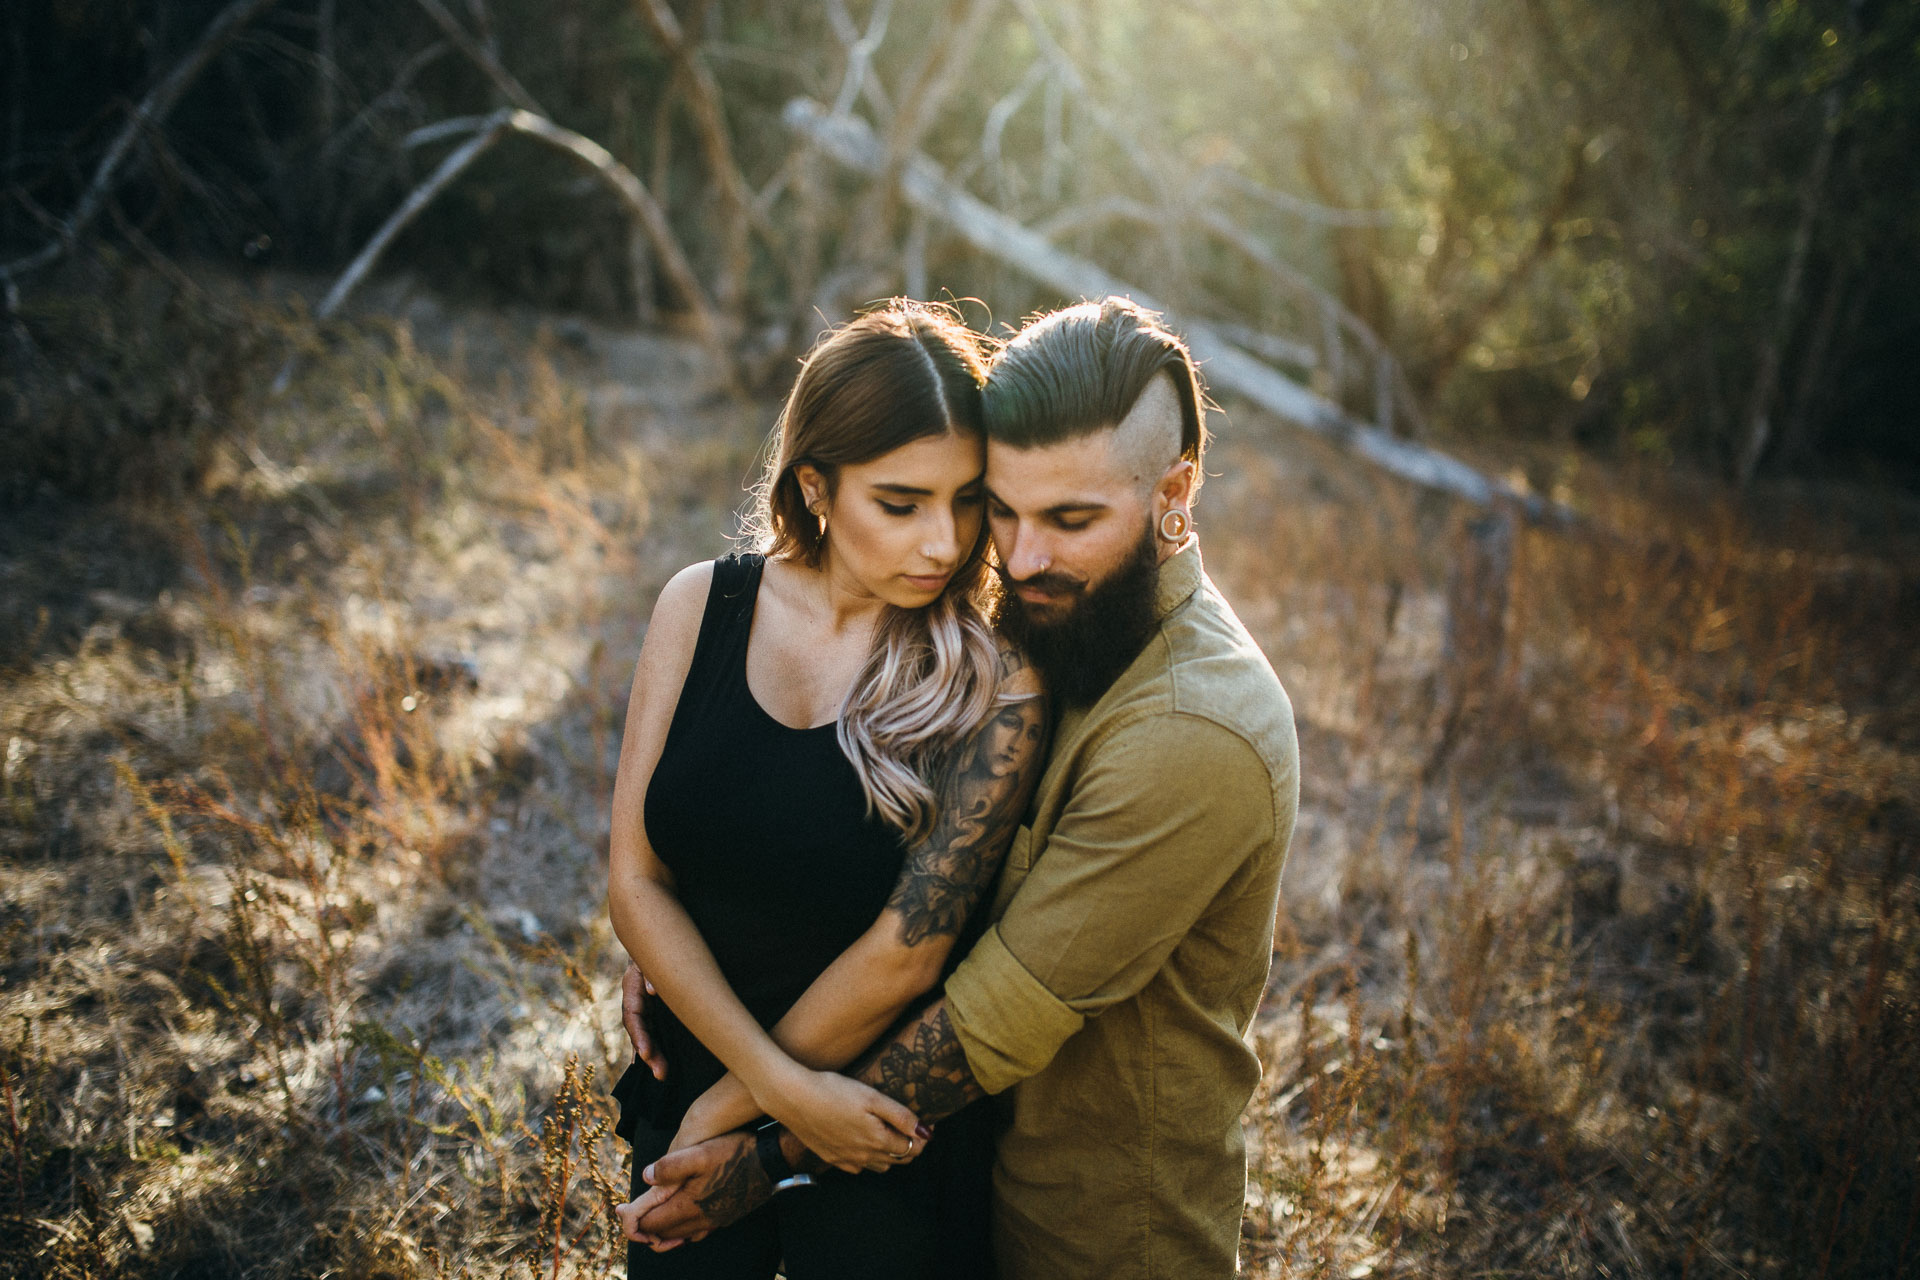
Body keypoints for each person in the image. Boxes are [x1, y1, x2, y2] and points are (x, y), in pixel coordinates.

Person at [625, 296, 1300, 1279]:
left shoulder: (1186, 728)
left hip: (1095, 1227)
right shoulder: (1049, 611)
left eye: (1069, 519)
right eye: (1007, 508)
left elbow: (980, 1014)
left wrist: (753, 1144)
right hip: (943, 1160)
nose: (1012, 556)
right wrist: (692, 920)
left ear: (1175, 490)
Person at [603, 299, 1048, 1280]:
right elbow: (637, 879)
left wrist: (739, 1115)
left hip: (874, 1129)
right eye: (902, 502)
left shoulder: (994, 682)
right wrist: (764, 1086)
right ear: (816, 484)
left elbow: (905, 955)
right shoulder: (702, 605)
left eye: (968, 500)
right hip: (699, 1076)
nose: (943, 540)